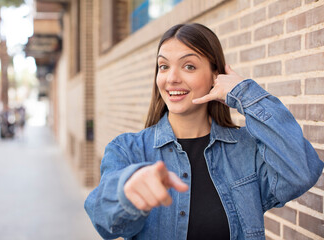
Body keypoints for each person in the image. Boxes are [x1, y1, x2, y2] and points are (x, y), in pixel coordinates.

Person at [84, 23, 323, 240]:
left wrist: (244, 94)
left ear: (215, 77)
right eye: (164, 66)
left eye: (189, 66)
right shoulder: (129, 150)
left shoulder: (247, 150)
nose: (172, 78)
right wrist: (126, 191)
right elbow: (104, 222)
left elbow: (300, 173)